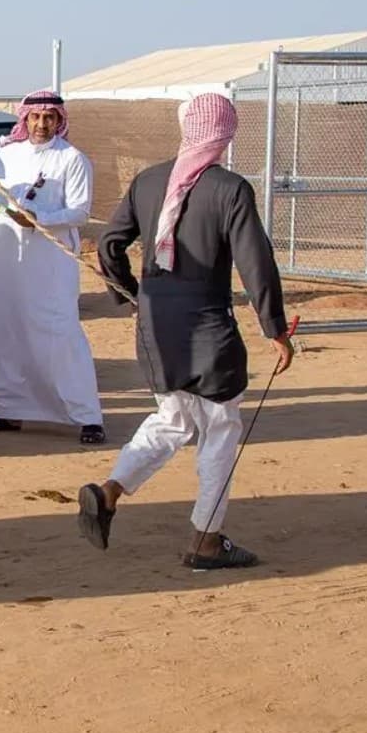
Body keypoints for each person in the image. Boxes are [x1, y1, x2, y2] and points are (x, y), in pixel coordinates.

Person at [80, 92, 294, 569]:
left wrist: (133, 294)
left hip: (156, 323)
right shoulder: (230, 188)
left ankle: (110, 491)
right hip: (207, 325)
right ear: (225, 132)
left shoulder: (148, 180)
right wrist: (275, 328)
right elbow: (255, 261)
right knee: (219, 429)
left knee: (174, 419)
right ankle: (207, 539)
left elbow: (110, 243)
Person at [0, 90, 107, 444]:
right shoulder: (4, 155)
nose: (41, 124)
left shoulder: (73, 159)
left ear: (59, 121)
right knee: (4, 328)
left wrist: (39, 219)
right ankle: (5, 410)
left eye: (49, 118)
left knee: (58, 330)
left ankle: (86, 415)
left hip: (50, 258)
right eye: (35, 118)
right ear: (24, 119)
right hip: (6, 255)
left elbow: (79, 212)